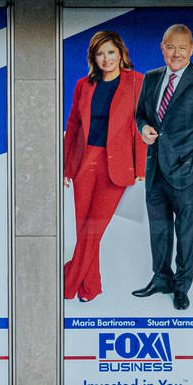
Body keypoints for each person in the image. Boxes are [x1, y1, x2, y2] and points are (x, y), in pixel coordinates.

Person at [63, 31, 146, 302]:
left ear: (121, 53)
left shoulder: (136, 82)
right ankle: (91, 287)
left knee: (94, 227)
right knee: (83, 226)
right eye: (100, 53)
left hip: (118, 165)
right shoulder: (83, 85)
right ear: (93, 58)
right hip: (84, 161)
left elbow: (140, 126)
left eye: (111, 52)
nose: (106, 58)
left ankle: (68, 282)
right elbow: (73, 125)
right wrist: (66, 167)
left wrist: (141, 168)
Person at [132, 24, 193, 311]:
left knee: (186, 232)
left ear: (191, 49)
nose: (176, 53)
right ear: (162, 47)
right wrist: (145, 128)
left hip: (186, 171)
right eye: (171, 47)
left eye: (182, 47)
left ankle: (181, 287)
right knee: (159, 229)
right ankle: (161, 277)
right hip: (155, 170)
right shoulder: (151, 79)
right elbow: (140, 114)